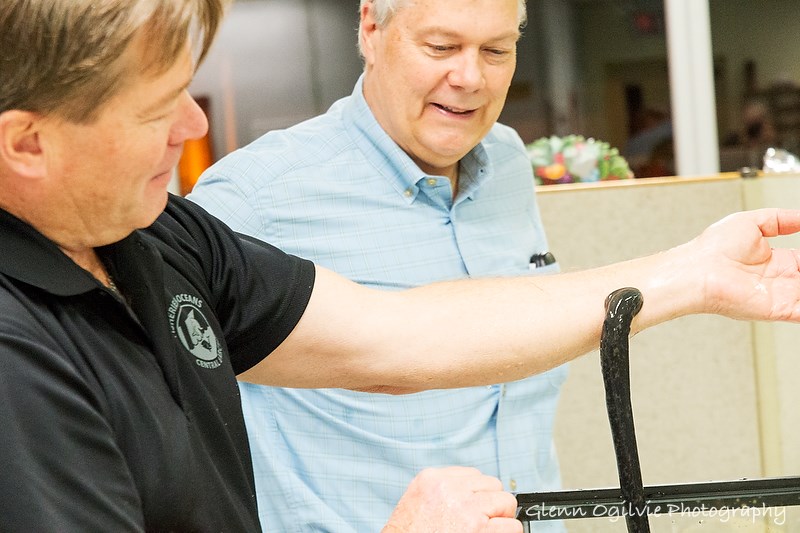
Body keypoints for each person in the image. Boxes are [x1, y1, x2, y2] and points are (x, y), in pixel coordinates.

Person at [3, 1, 800, 532]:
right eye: (157, 108)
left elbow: (403, 335)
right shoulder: (21, 354)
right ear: (26, 143)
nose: (197, 121)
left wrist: (690, 275)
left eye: (495, 49)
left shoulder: (161, 238)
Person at [187, 0, 565, 531]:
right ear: (370, 29)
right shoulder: (253, 199)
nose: (470, 77)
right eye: (442, 47)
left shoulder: (505, 162)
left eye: (497, 50)